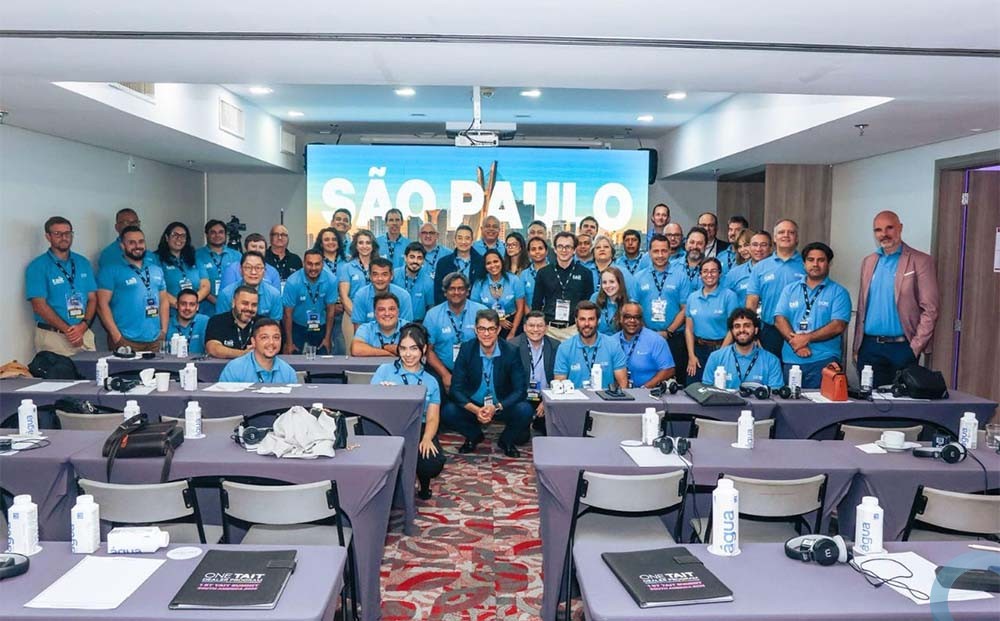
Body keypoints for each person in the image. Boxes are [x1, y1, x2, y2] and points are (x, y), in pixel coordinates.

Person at [854, 210, 941, 387]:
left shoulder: (920, 261)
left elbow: (930, 309)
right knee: (869, 401)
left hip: (902, 348)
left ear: (900, 228)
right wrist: (857, 347)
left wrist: (915, 347)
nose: (884, 234)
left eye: (889, 228)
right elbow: (862, 306)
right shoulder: (868, 262)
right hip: (870, 348)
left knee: (902, 402)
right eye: (878, 230)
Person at [441, 309, 533, 457]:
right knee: (448, 411)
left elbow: (520, 390)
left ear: (498, 330)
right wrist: (476, 410)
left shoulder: (511, 351)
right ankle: (474, 435)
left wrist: (495, 408)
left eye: (491, 329)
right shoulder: (466, 349)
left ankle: (506, 441)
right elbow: (455, 389)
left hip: (501, 404)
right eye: (482, 329)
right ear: (475, 330)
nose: (486, 333)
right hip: (474, 405)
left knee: (525, 409)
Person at [370, 323, 445, 499]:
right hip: (388, 427)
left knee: (431, 462)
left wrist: (427, 438)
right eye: (403, 348)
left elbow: (433, 418)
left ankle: (423, 480)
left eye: (414, 348)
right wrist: (382, 393)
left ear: (423, 349)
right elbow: (371, 403)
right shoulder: (384, 371)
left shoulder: (431, 381)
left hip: (418, 428)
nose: (408, 354)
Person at [774, 242, 852, 388]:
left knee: (823, 403)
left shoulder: (839, 292)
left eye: (821, 260)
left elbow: (838, 326)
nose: (815, 264)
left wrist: (806, 338)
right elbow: (779, 319)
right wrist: (796, 344)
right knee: (790, 402)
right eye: (811, 260)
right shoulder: (789, 290)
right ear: (804, 263)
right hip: (791, 360)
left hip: (824, 361)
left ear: (829, 264)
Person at [25, 216, 98, 355]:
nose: (64, 237)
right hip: (54, 337)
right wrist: (69, 332)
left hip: (83, 334)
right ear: (48, 236)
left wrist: (83, 326)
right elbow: (39, 305)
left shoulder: (83, 262)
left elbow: (93, 299)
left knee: (92, 369)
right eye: (57, 234)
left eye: (67, 233)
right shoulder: (37, 266)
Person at [96, 226, 168, 351]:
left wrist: (164, 331)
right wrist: (116, 336)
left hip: (155, 340)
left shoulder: (156, 269)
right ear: (122, 246)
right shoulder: (110, 270)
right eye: (131, 243)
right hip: (126, 340)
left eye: (141, 242)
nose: (137, 246)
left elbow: (164, 301)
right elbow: (101, 304)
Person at [746, 219, 806, 360]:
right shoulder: (760, 267)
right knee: (769, 370)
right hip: (769, 331)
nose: (786, 235)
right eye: (781, 232)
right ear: (774, 238)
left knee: (795, 371)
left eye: (791, 232)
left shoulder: (806, 265)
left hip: (800, 331)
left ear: (797, 238)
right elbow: (751, 303)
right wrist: (752, 333)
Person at [634, 233, 691, 382]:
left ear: (670, 251)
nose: (660, 255)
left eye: (664, 251)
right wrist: (646, 331)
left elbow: (685, 309)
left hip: (674, 338)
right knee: (649, 378)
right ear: (649, 252)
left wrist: (668, 331)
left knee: (675, 381)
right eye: (656, 251)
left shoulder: (681, 276)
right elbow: (635, 308)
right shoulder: (639, 277)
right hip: (645, 336)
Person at [424, 272, 488, 392]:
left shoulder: (481, 311)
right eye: (452, 289)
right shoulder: (432, 315)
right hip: (444, 370)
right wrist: (445, 374)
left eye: (461, 288)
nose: (456, 292)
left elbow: (491, 344)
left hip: (476, 369)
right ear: (445, 292)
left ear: (467, 291)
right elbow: (428, 350)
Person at [684, 258, 739, 384]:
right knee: (694, 388)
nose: (709, 275)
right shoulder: (692, 297)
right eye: (705, 271)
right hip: (698, 350)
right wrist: (691, 355)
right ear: (700, 274)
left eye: (713, 271)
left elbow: (733, 328)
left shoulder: (729, 296)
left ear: (720, 274)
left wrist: (720, 354)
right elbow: (688, 329)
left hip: (721, 348)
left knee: (718, 387)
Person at [553, 301, 628, 389]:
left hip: (605, 397)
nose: (586, 324)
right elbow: (559, 386)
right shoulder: (564, 348)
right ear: (576, 321)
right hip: (574, 397)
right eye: (582, 319)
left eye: (591, 319)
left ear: (598, 321)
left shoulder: (613, 345)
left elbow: (623, 384)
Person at [704, 308, 784, 389]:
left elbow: (775, 394)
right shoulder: (715, 357)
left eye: (747, 326)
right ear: (732, 331)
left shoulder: (772, 361)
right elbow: (705, 390)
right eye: (737, 326)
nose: (742, 330)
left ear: (756, 330)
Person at [531, 231, 594, 332]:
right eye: (560, 246)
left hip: (574, 329)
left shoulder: (585, 273)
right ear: (555, 249)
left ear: (574, 250)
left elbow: (588, 304)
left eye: (568, 247)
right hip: (549, 329)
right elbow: (536, 304)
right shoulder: (543, 273)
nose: (564, 250)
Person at [282, 249, 337, 355]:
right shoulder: (293, 282)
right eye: (309, 264)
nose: (313, 268)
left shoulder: (331, 280)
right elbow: (287, 314)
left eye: (317, 264)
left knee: (323, 358)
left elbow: (331, 311)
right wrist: (289, 342)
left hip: (320, 324)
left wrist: (327, 338)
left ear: (322, 264)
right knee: (293, 358)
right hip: (297, 325)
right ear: (303, 263)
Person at [512, 311, 559, 429]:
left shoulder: (555, 346)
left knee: (548, 429)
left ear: (546, 328)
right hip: (522, 397)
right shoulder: (513, 346)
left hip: (546, 396)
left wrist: (547, 400)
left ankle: (539, 423)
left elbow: (559, 378)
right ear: (524, 327)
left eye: (540, 326)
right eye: (531, 325)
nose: (535, 329)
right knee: (521, 432)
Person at [616, 301, 675, 388]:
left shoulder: (656, 340)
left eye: (637, 317)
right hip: (618, 392)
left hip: (649, 392)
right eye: (627, 317)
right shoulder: (611, 341)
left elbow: (669, 370)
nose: (632, 321)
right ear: (621, 319)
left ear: (641, 320)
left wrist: (644, 389)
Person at [152, 222, 210, 311]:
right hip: (170, 313)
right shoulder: (156, 259)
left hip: (194, 312)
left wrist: (191, 304)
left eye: (183, 236)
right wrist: (179, 305)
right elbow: (156, 288)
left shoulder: (194, 258)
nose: (179, 238)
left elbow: (205, 286)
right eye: (175, 235)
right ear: (167, 237)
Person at [218, 318, 297, 383]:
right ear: (253, 342)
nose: (271, 342)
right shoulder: (234, 369)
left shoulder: (288, 373)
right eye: (264, 337)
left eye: (276, 337)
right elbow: (223, 397)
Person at [471, 249, 525, 339]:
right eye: (488, 263)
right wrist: (497, 320)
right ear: (485, 266)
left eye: (496, 261)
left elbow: (520, 309)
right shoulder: (479, 283)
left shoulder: (514, 280)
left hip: (512, 323)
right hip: (487, 325)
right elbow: (475, 308)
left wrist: (513, 332)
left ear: (501, 262)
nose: (493, 265)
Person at [216, 251, 283, 319]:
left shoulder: (274, 295)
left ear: (264, 271)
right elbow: (221, 321)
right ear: (240, 270)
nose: (253, 272)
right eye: (248, 267)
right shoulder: (226, 294)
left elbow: (275, 324)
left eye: (258, 268)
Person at [195, 219, 242, 315]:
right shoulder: (197, 255)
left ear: (225, 235)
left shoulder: (237, 255)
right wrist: (218, 302)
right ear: (206, 234)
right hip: (206, 310)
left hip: (231, 308)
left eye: (221, 232)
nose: (217, 235)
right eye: (213, 232)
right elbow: (197, 283)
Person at [351, 257, 413, 327]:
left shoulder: (404, 296)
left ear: (391, 276)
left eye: (384, 274)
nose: (380, 278)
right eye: (375, 274)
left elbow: (407, 328)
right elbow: (358, 329)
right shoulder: (361, 295)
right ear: (370, 276)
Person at [433, 225, 484, 305]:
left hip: (474, 307)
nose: (463, 242)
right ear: (455, 240)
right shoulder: (443, 263)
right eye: (460, 238)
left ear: (472, 241)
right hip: (449, 307)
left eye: (467, 238)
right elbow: (438, 291)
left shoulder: (481, 262)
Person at [338, 229, 379, 329]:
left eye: (368, 243)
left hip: (378, 315)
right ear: (356, 246)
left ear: (373, 246)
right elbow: (344, 296)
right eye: (361, 243)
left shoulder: (380, 266)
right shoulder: (347, 267)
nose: (364, 246)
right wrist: (358, 317)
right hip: (352, 316)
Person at [205, 285, 259, 358]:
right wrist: (244, 354)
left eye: (254, 305)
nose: (249, 308)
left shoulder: (264, 324)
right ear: (233, 303)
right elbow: (213, 349)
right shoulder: (217, 321)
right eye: (245, 303)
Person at [352, 292, 404, 356]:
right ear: (375, 313)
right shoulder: (366, 328)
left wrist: (385, 347)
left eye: (391, 309)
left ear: (398, 312)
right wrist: (387, 353)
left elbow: (413, 350)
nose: (387, 313)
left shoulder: (409, 327)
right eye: (382, 309)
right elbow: (356, 349)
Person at [393, 243, 434, 321]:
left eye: (419, 258)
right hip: (394, 322)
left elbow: (430, 309)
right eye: (412, 257)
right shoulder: (394, 276)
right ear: (405, 258)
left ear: (423, 261)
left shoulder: (429, 281)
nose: (415, 261)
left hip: (417, 324)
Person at [721, 229, 761, 306]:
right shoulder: (734, 272)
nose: (742, 250)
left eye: (746, 245)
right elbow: (724, 298)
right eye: (739, 247)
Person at [166, 288, 209, 355]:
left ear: (197, 307)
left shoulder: (206, 321)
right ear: (176, 305)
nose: (187, 308)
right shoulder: (166, 323)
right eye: (183, 304)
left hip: (199, 361)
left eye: (192, 304)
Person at [591, 266, 629, 335]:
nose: (608, 286)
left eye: (612, 282)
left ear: (620, 283)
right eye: (604, 282)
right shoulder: (595, 298)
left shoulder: (629, 303)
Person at [520, 236, 549, 308]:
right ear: (528, 253)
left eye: (540, 248)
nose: (537, 252)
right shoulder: (524, 275)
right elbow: (522, 300)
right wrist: (531, 314)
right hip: (530, 313)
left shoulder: (555, 271)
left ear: (546, 251)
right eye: (533, 249)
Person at [681, 226, 708, 291]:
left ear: (705, 247)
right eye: (692, 242)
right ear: (686, 244)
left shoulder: (712, 269)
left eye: (699, 243)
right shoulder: (673, 267)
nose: (695, 246)